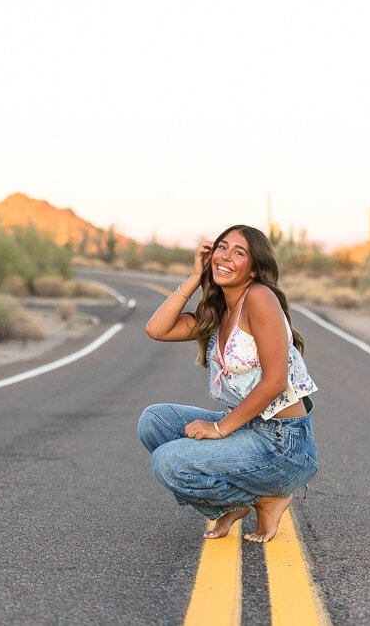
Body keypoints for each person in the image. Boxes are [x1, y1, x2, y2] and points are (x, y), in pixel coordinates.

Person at [138, 224, 319, 543]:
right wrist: (195, 278)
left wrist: (221, 428)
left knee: (167, 462)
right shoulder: (218, 312)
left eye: (239, 252)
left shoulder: (260, 298)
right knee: (154, 421)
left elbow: (275, 381)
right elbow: (156, 329)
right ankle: (239, 502)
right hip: (250, 429)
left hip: (283, 442)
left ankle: (264, 498)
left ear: (253, 269)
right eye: (222, 247)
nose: (226, 256)